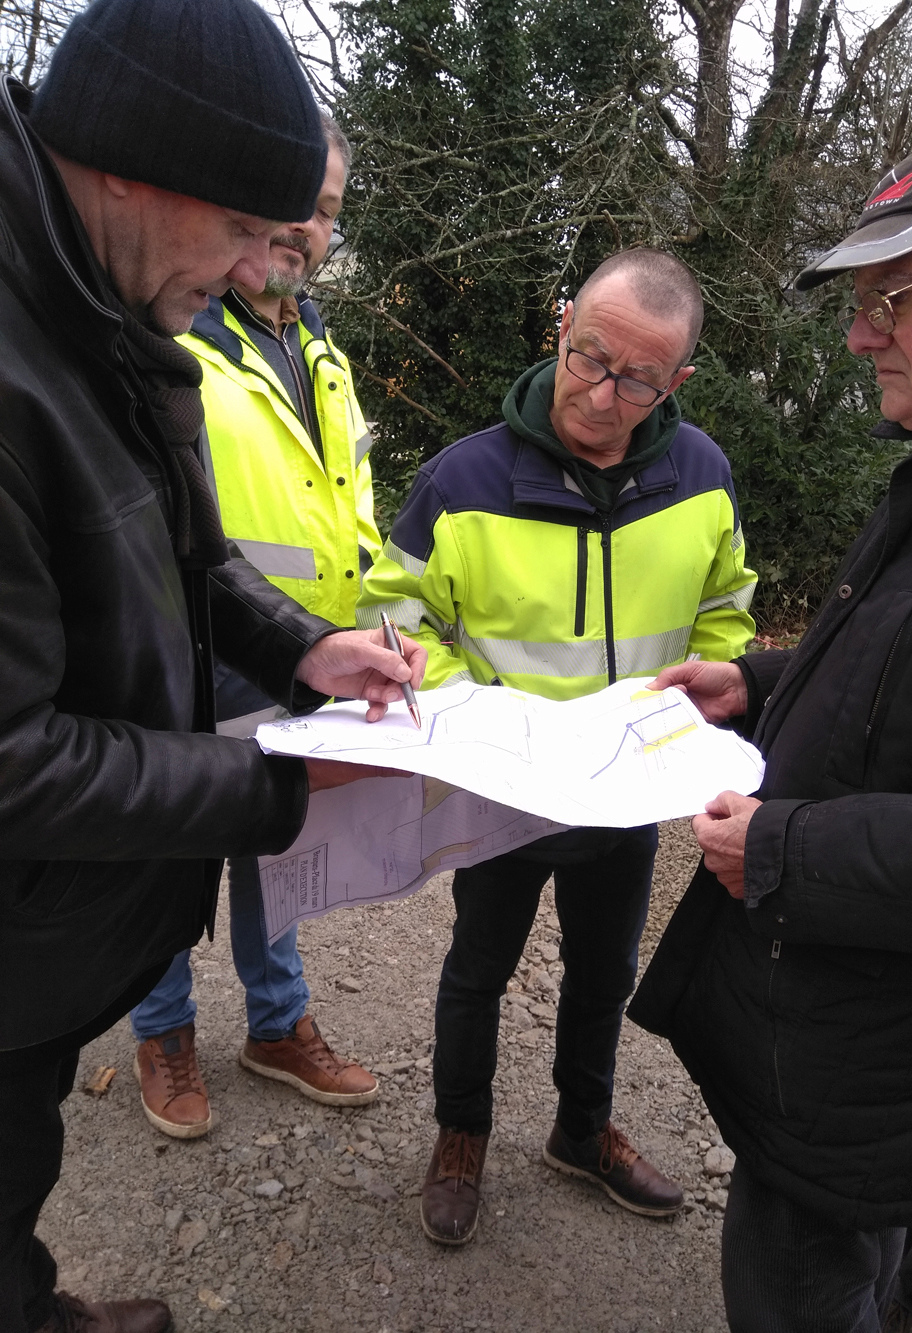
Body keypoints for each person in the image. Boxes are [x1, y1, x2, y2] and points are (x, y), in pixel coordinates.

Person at [0, 2, 425, 1331]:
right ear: (129, 162)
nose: (265, 263)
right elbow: (11, 761)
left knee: (17, 1153)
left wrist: (308, 649)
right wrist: (280, 792)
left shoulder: (112, 312)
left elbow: (197, 559)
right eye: (247, 225)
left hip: (50, 923)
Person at [630, 125, 912, 1332]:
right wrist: (766, 682)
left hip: (902, 1072)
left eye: (891, 294)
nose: (856, 334)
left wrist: (786, 853)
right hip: (882, 1059)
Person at [357, 248, 757, 1245]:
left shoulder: (701, 475)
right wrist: (483, 715)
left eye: (637, 379)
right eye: (589, 357)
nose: (601, 392)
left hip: (622, 797)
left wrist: (692, 715)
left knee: (601, 970)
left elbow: (726, 616)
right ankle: (461, 1132)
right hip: (499, 790)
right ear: (563, 321)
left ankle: (582, 1130)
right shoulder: (463, 477)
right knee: (476, 968)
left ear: (678, 383)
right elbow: (396, 623)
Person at [129, 119, 384, 1138]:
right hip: (187, 650)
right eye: (291, 199)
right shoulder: (176, 327)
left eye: (325, 208)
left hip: (297, 651)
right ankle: (162, 1026)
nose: (305, 226)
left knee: (277, 846)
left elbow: (350, 500)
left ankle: (275, 1024)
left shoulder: (317, 344)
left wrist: (366, 623)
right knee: (167, 840)